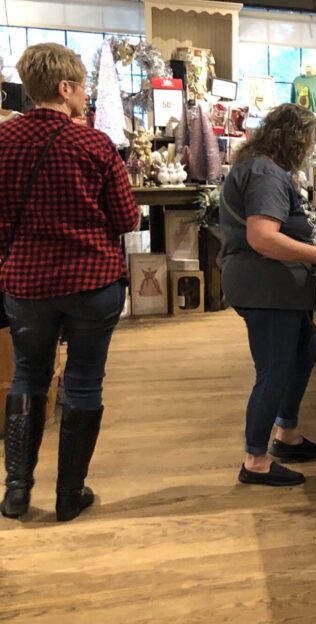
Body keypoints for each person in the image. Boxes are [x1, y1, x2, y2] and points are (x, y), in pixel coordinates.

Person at [0, 43, 140, 522]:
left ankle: (17, 491)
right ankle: (68, 494)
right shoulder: (93, 144)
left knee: (28, 375)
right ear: (65, 88)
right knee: (83, 381)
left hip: (26, 283)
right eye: (82, 86)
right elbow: (126, 217)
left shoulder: (2, 140)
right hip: (91, 282)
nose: (85, 96)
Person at [220, 103, 316, 487]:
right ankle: (255, 459)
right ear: (293, 140)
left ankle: (287, 433)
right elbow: (262, 237)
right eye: (310, 141)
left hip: (274, 288)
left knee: (302, 353)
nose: (311, 150)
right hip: (267, 288)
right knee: (274, 371)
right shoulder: (265, 173)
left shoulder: (261, 168)